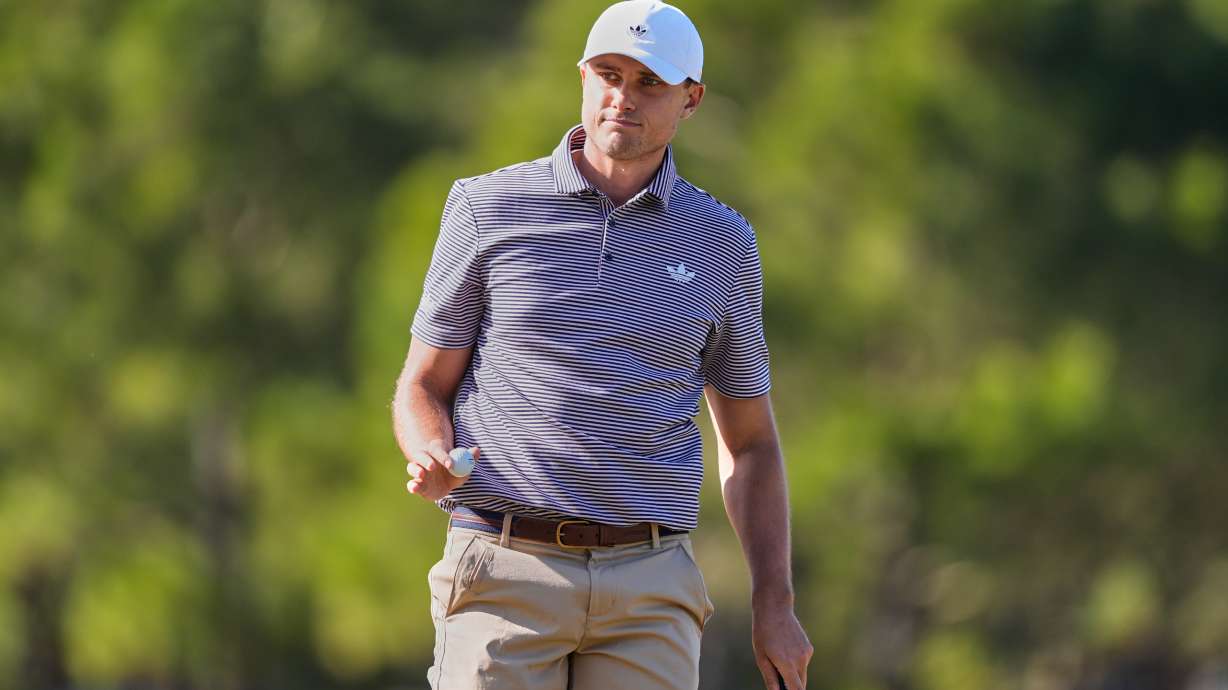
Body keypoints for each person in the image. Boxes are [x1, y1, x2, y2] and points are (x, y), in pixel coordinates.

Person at [391, 1, 813, 687]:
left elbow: (752, 444)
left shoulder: (723, 242)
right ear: (583, 77)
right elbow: (422, 384)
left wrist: (775, 602)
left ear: (691, 100)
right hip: (503, 568)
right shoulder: (486, 207)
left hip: (649, 586)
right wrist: (428, 451)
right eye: (609, 75)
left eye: (649, 83)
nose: (623, 97)